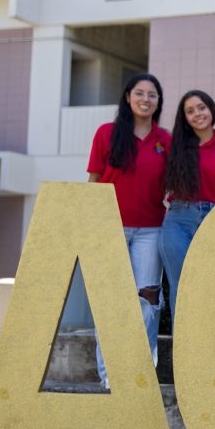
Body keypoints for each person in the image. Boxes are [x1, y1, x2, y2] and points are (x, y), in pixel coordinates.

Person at [86, 73, 169, 391]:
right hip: (111, 228)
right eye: (140, 93)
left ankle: (141, 372)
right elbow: (93, 182)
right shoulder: (106, 134)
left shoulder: (166, 140)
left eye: (153, 95)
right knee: (111, 303)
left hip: (151, 230)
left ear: (158, 102)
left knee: (148, 303)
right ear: (127, 97)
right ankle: (110, 375)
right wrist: (90, 224)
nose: (146, 99)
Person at [159, 90, 215, 324]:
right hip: (178, 221)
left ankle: (207, 355)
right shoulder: (173, 146)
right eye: (190, 111)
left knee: (211, 289)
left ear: (211, 109)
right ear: (184, 118)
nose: (198, 114)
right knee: (182, 286)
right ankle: (184, 356)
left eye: (201, 107)